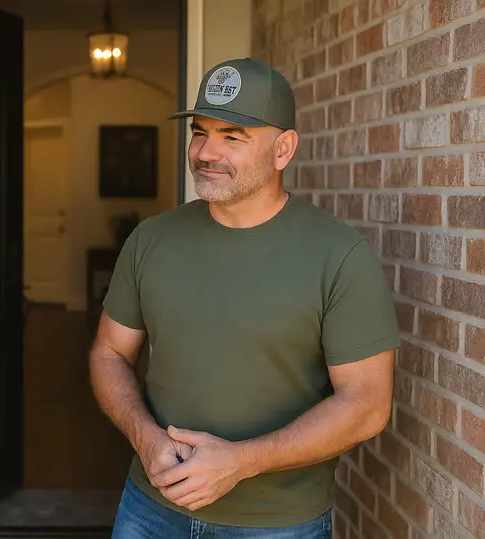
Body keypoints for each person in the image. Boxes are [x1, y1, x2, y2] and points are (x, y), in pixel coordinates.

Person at [90, 57, 399, 538]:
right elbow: (109, 352)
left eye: (232, 137)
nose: (206, 152)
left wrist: (242, 462)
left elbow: (368, 403)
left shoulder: (338, 256)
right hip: (150, 510)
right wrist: (146, 439)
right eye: (200, 132)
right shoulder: (150, 240)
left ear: (283, 150)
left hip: (275, 524)